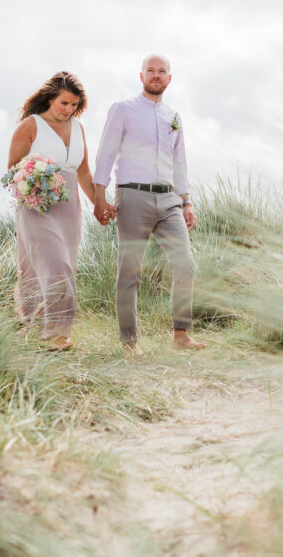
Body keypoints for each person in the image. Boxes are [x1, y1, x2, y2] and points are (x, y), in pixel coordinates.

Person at [93, 54, 204, 354]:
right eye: (150, 71)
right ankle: (130, 342)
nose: (156, 75)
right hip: (132, 195)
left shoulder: (174, 116)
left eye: (162, 71)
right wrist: (99, 195)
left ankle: (181, 335)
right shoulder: (122, 110)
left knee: (185, 264)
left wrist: (186, 201)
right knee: (130, 270)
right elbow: (105, 153)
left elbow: (179, 162)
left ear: (170, 79)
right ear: (140, 76)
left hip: (169, 199)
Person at [7, 72, 108, 351]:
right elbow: (13, 168)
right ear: (51, 98)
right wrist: (36, 178)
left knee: (66, 265)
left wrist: (99, 203)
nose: (68, 109)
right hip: (36, 205)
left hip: (69, 207)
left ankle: (43, 332)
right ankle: (53, 333)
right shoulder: (31, 126)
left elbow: (84, 172)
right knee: (54, 264)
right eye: (64, 103)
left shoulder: (78, 129)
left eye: (74, 105)